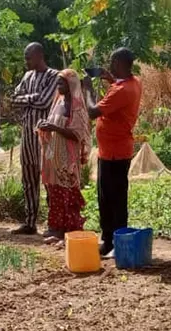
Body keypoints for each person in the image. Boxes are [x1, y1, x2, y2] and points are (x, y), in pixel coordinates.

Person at [89, 48, 142, 257]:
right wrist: (110, 80)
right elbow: (117, 96)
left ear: (119, 62)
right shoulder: (133, 83)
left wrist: (86, 90)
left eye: (112, 62)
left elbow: (92, 112)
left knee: (110, 198)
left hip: (113, 152)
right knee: (114, 196)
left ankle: (111, 241)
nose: (109, 65)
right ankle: (114, 239)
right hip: (114, 149)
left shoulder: (122, 90)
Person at [9, 43, 59, 235]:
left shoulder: (54, 76)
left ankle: (52, 224)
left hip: (44, 137)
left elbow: (45, 101)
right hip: (27, 136)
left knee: (47, 179)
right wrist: (31, 99)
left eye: (28, 57)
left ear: (39, 55)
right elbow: (14, 98)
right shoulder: (27, 76)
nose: (26, 61)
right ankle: (30, 222)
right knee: (28, 179)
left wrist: (26, 99)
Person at [37, 69, 91, 243]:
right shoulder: (58, 102)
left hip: (67, 157)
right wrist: (44, 126)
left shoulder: (76, 107)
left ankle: (67, 228)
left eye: (62, 83)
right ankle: (56, 227)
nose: (58, 86)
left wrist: (54, 128)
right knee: (54, 191)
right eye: (58, 83)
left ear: (71, 85)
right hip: (53, 155)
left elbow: (77, 134)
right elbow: (52, 122)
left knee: (66, 191)